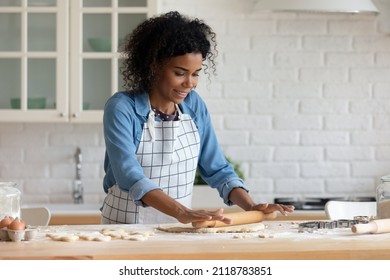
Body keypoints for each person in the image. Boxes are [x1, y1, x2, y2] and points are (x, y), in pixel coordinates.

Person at [101, 11, 294, 225]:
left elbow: (218, 169)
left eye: (196, 73)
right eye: (180, 73)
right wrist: (181, 212)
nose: (190, 83)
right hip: (125, 229)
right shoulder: (122, 108)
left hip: (178, 228)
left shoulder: (193, 105)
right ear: (153, 66)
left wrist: (251, 206)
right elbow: (130, 176)